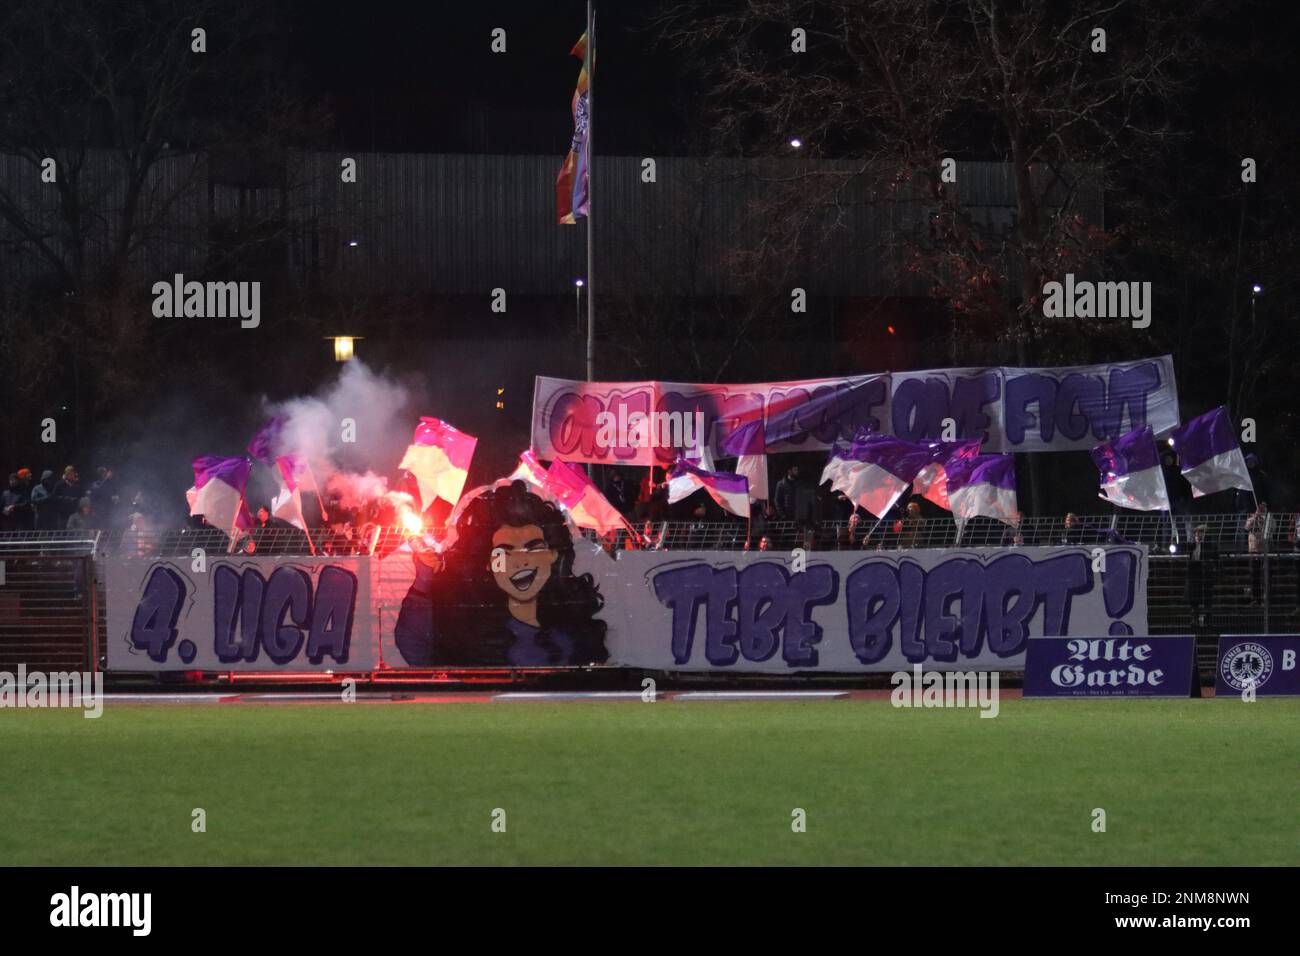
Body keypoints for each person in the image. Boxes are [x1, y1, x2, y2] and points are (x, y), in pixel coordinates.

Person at [394, 480, 609, 667]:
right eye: (504, 553)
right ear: (487, 563)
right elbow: (416, 652)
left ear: (553, 554)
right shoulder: (469, 628)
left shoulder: (576, 626)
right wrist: (423, 584)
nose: (520, 561)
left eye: (533, 548)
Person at [1184, 524, 1217, 626]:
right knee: (1193, 599)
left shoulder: (1210, 545)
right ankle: (1194, 619)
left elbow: (1216, 558)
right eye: (1196, 532)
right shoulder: (1191, 545)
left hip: (1205, 575)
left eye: (1200, 532)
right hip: (1193, 575)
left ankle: (1208, 620)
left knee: (1207, 599)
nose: (1198, 534)